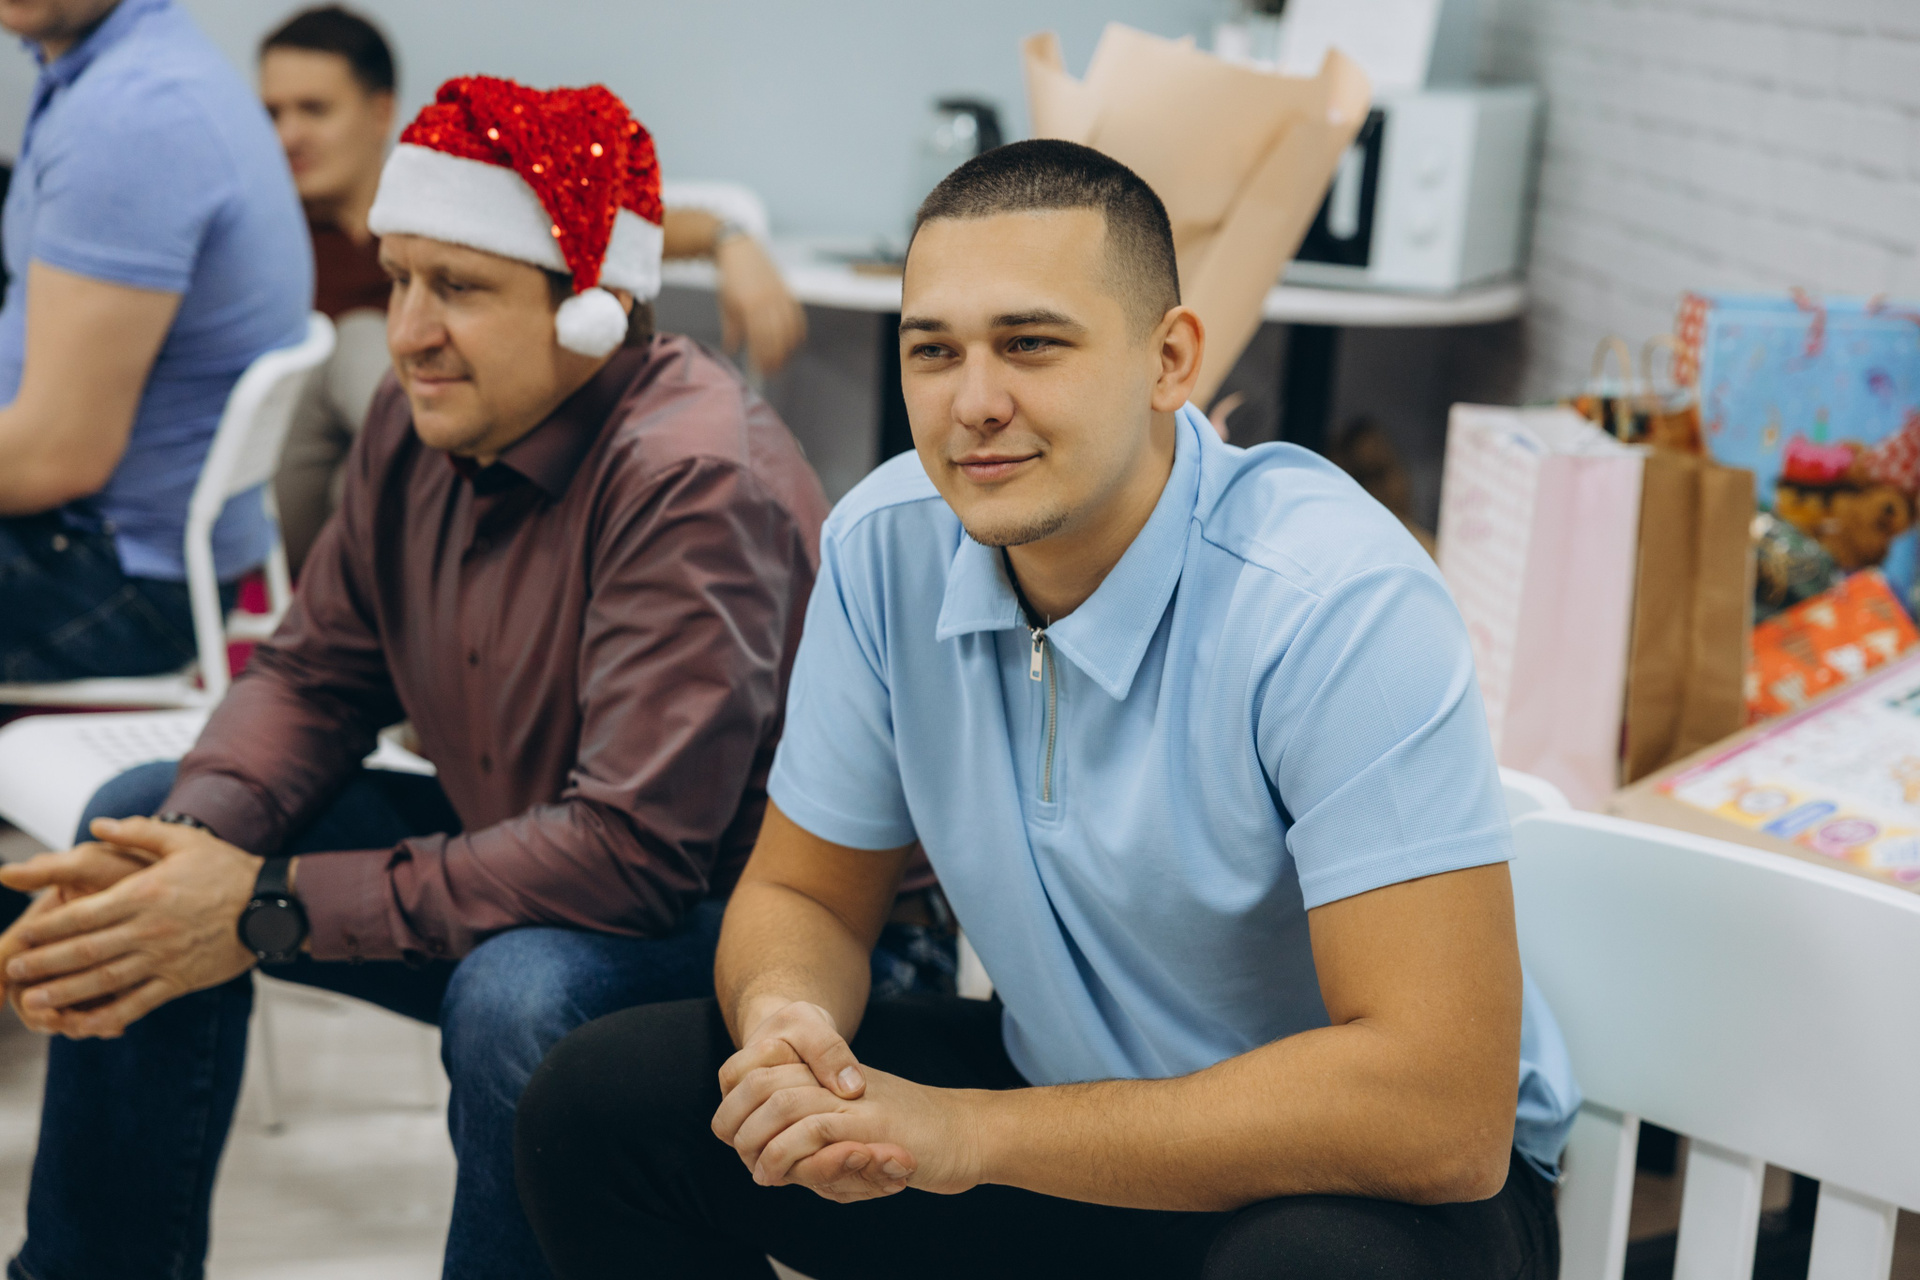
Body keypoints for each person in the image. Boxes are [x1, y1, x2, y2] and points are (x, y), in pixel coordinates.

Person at [515, 140, 1582, 1280]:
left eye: (1030, 343)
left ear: (1169, 359)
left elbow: (1439, 1111)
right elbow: (804, 894)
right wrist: (789, 1025)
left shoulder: (1331, 600)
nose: (975, 403)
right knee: (603, 1107)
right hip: (1070, 1119)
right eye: (934, 350)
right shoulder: (885, 548)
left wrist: (966, 1134)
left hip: (1350, 1180)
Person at [0, 78, 829, 1280]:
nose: (407, 331)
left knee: (517, 993)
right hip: (539, 850)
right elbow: (314, 675)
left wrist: (264, 900)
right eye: (398, 279)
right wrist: (192, 856)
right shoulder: (420, 417)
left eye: (461, 287)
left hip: (759, 928)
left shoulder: (692, 479)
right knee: (143, 830)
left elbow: (630, 855)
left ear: (592, 308)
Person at [260, 4, 810, 574]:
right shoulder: (269, 237)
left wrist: (731, 240)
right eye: (271, 113)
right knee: (359, 346)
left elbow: (611, 233)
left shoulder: (462, 201)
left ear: (380, 112)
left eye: (314, 110)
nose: (287, 136)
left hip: (419, 472)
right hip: (317, 479)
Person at [0, 0, 309, 681]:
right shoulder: (133, 69)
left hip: (114, 575)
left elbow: (57, 456)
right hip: (117, 543)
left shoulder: (130, 114)